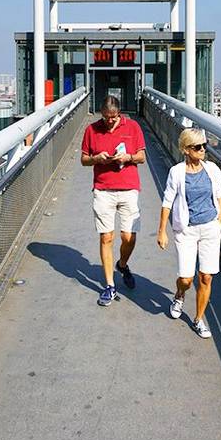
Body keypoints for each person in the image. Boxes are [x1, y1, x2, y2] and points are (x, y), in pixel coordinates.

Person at [157, 127, 221, 338]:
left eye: (204, 146)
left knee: (206, 277)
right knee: (186, 279)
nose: (203, 149)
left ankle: (198, 319)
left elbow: (220, 197)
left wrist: (218, 222)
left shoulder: (212, 169)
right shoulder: (176, 172)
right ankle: (179, 295)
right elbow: (167, 201)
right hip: (186, 230)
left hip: (209, 228)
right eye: (197, 147)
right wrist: (162, 231)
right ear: (186, 149)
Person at [80, 95, 147, 306]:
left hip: (129, 188)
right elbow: (83, 160)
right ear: (101, 113)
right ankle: (110, 286)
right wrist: (96, 159)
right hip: (103, 189)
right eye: (106, 117)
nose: (110, 121)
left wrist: (127, 157)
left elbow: (142, 157)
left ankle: (123, 264)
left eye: (114, 117)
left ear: (119, 113)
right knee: (106, 237)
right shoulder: (91, 130)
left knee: (129, 237)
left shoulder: (133, 127)